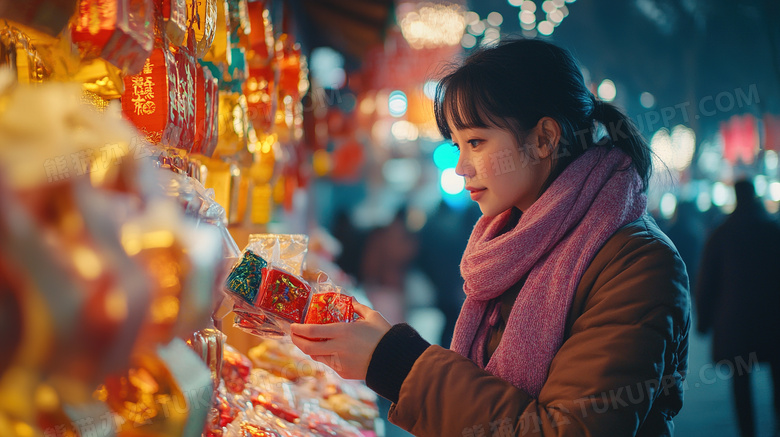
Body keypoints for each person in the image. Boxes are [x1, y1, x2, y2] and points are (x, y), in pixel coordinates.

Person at [290, 39, 690, 436]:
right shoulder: (508, 244)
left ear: (544, 139)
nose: (462, 167)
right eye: (457, 145)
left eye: (476, 142)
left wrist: (395, 363)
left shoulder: (637, 264)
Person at [695, 179, 780, 437]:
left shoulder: (722, 234)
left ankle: (748, 432)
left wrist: (703, 321)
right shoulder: (773, 231)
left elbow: (706, 281)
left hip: (737, 324)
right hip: (773, 321)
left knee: (740, 383)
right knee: (778, 379)